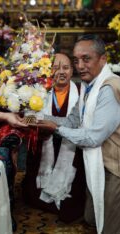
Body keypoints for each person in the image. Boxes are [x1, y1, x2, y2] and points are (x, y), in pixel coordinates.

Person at [34, 35, 120, 234]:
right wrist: (35, 118)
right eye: (76, 60)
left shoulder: (109, 88)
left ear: (103, 59)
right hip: (103, 162)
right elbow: (72, 122)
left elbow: (93, 138)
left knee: (111, 229)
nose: (80, 65)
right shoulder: (87, 87)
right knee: (92, 218)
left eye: (86, 59)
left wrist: (54, 129)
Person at [22, 53, 86, 222]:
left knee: (72, 202)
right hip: (45, 145)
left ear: (72, 71)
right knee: (32, 193)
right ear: (49, 71)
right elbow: (26, 118)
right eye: (55, 68)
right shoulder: (38, 93)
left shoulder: (82, 93)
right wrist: (36, 123)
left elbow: (80, 123)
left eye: (65, 67)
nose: (61, 72)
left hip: (72, 149)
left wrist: (47, 122)